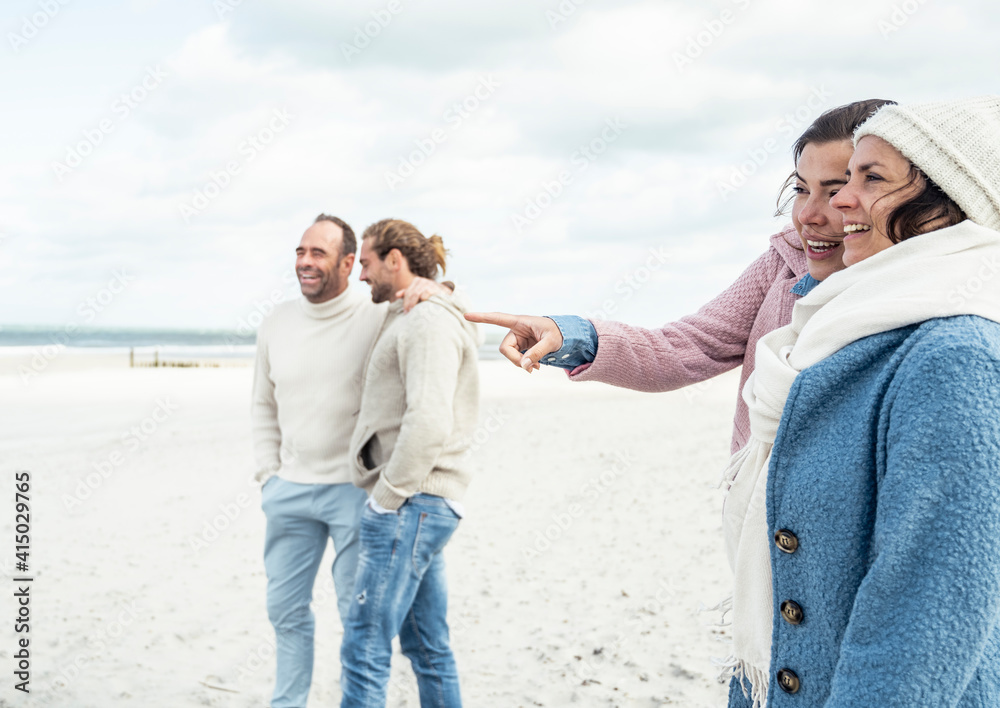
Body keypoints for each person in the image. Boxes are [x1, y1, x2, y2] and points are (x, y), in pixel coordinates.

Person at [725, 96, 1000, 707]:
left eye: (869, 179)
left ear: (951, 205)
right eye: (844, 178)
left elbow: (926, 615)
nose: (841, 201)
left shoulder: (957, 354)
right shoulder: (842, 326)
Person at [467, 99, 895, 454]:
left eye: (835, 190)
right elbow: (684, 347)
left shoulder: (923, 297)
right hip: (760, 526)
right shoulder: (783, 262)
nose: (808, 216)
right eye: (801, 189)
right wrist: (567, 335)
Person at [251, 214, 454, 708]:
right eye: (300, 252)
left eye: (317, 253)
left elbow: (433, 304)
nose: (304, 262)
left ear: (348, 262)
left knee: (359, 621)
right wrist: (267, 475)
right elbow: (263, 403)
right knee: (286, 613)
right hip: (289, 492)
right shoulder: (276, 323)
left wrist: (437, 289)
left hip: (355, 493)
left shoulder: (377, 315)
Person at [340, 219, 480, 708]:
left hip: (410, 504)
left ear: (394, 260)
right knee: (427, 647)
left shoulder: (427, 321)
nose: (361, 275)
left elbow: (429, 420)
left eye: (367, 263)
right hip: (419, 505)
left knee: (364, 646)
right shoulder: (412, 312)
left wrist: (386, 499)